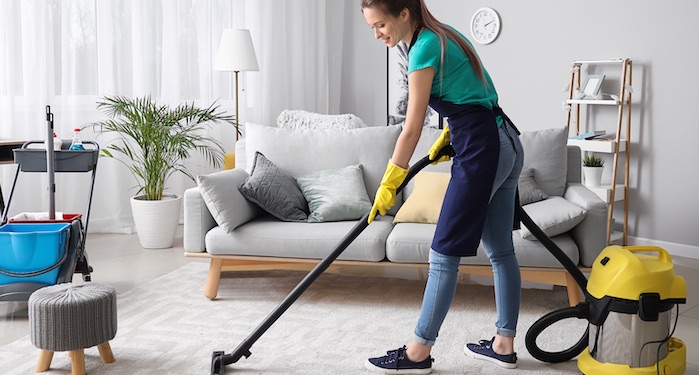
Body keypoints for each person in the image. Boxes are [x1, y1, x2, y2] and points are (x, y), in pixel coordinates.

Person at [361, 0, 525, 373]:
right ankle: (504, 342)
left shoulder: (422, 48)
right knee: (500, 250)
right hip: (506, 140)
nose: (377, 34)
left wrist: (390, 180)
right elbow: (472, 95)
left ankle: (417, 353)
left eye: (380, 24)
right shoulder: (444, 34)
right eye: (372, 27)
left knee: (443, 254)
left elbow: (412, 126)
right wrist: (452, 131)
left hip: (483, 149)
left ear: (404, 13)